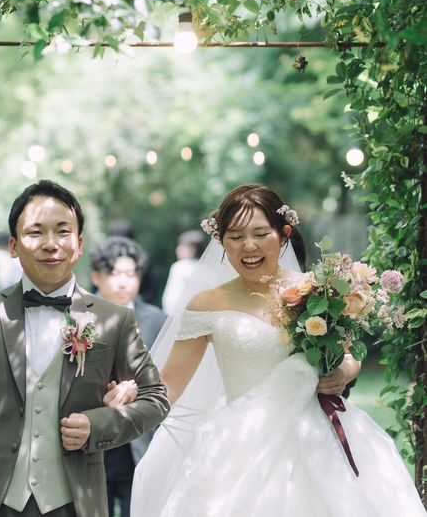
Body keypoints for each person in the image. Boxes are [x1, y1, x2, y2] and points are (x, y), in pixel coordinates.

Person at [129, 184, 426, 516]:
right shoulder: (206, 303)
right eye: (236, 236)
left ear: (283, 235)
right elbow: (169, 385)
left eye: (260, 234)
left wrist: (343, 372)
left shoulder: (317, 291)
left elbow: (348, 354)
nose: (249, 246)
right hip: (239, 443)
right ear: (221, 241)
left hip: (314, 436)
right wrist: (126, 404)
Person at [0, 179, 170, 517]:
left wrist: (99, 424)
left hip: (75, 504)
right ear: (14, 246)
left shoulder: (113, 320)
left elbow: (156, 398)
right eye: (35, 232)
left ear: (79, 244)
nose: (50, 244)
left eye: (62, 232)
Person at [90, 236, 166, 517]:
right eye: (114, 273)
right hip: (94, 438)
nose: (123, 282)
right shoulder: (79, 318)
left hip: (141, 438)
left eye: (130, 274)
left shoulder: (158, 320)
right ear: (96, 276)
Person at [161, 230, 206, 313]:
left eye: (181, 246)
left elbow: (171, 297)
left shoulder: (179, 266)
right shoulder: (206, 268)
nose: (177, 249)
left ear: (192, 249)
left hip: (178, 313)